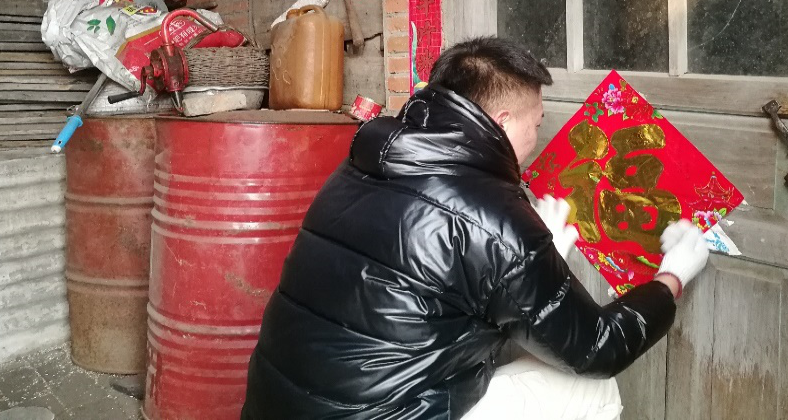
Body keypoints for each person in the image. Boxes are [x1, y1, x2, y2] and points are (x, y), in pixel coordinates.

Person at [243, 36, 709, 420]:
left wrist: (533, 259)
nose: (536, 139)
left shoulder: (360, 166)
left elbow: (430, 294)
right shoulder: (495, 218)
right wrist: (671, 278)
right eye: (536, 125)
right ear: (502, 122)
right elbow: (597, 347)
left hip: (276, 406)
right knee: (592, 389)